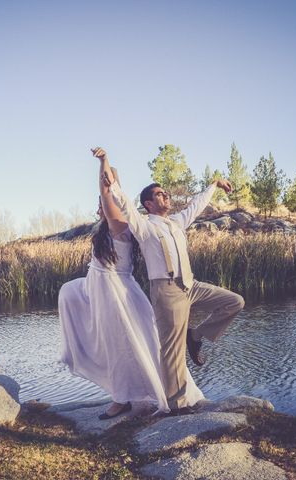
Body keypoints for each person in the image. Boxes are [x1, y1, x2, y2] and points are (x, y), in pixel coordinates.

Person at [58, 148, 204, 419]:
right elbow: (112, 188)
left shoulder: (120, 224)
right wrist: (113, 174)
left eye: (104, 203)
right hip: (102, 287)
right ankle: (129, 390)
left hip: (113, 291)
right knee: (70, 293)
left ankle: (123, 398)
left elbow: (109, 190)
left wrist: (104, 163)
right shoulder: (110, 226)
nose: (101, 206)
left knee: (122, 344)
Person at [105, 151, 245, 413]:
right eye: (159, 194)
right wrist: (110, 181)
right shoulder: (144, 227)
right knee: (171, 352)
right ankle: (177, 405)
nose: (165, 196)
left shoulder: (177, 222)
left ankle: (196, 334)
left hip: (191, 285)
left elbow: (196, 206)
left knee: (234, 301)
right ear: (148, 204)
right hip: (166, 290)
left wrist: (214, 184)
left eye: (165, 193)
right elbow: (123, 203)